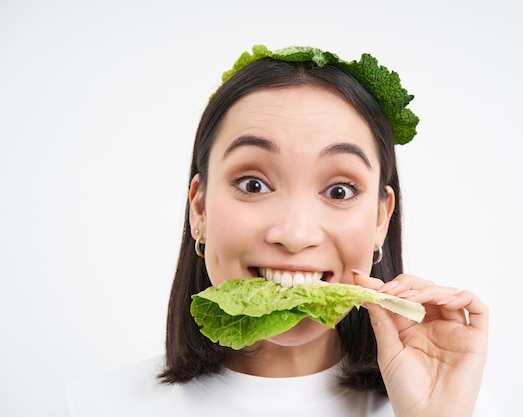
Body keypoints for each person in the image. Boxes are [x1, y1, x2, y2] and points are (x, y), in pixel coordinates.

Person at [62, 45, 494, 417]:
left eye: (339, 190)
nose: (295, 233)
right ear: (199, 209)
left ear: (381, 219)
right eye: (253, 184)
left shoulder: (459, 405)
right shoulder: (96, 405)